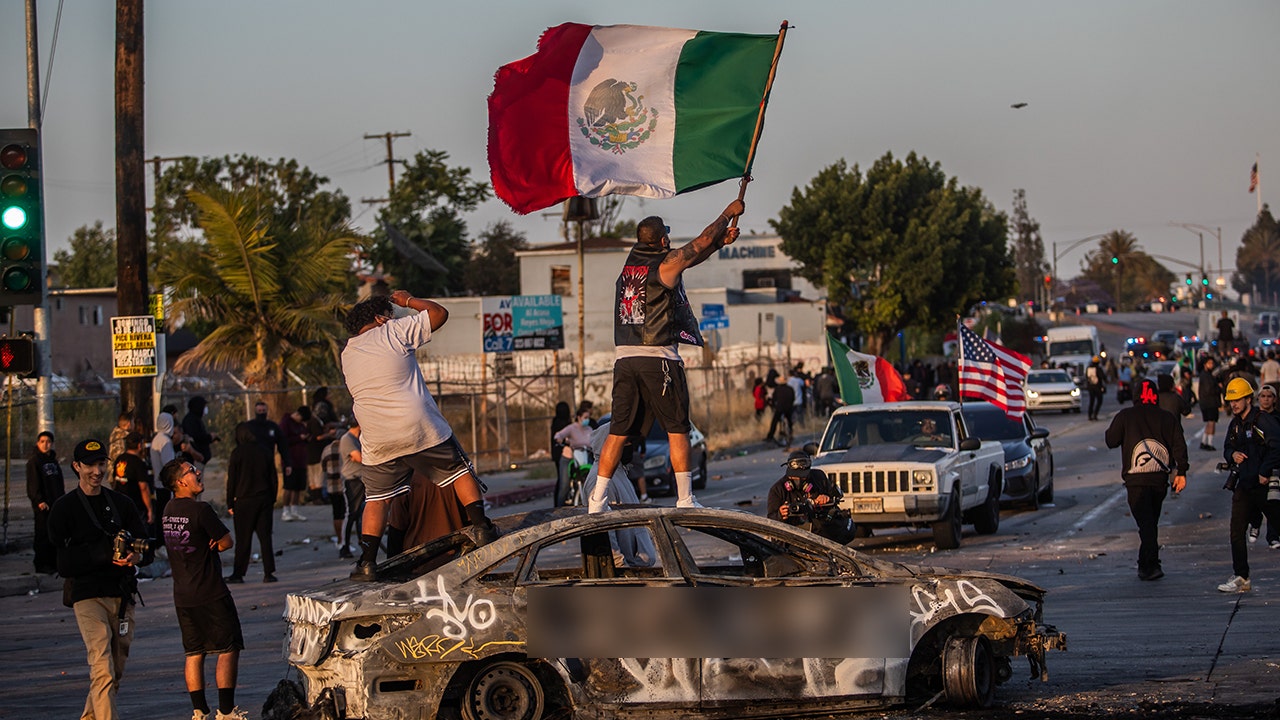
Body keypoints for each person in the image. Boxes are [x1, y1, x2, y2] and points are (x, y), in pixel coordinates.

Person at [586, 200, 745, 513]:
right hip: (658, 358)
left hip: (625, 360)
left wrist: (718, 244)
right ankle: (685, 499)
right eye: (667, 237)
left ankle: (597, 500)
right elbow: (697, 244)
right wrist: (727, 214)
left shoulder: (631, 267)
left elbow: (690, 257)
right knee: (678, 428)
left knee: (618, 431)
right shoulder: (665, 263)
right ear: (662, 240)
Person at [341, 290, 499, 581]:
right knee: (458, 469)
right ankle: (482, 527)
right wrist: (408, 301)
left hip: (376, 434)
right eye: (390, 315)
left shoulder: (348, 353)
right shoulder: (392, 331)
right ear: (380, 318)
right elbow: (439, 314)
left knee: (377, 499)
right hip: (416, 425)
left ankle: (366, 562)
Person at [47, 438, 153, 720]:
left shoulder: (121, 503)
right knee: (102, 667)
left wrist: (135, 557)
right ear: (76, 467)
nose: (97, 471)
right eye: (89, 465)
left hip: (122, 596)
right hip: (87, 595)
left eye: (101, 464)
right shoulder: (64, 508)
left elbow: (146, 547)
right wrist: (103, 554)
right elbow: (63, 563)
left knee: (113, 672)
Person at [158, 459, 247, 720]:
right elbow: (226, 541)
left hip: (183, 595)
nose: (198, 473)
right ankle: (226, 711)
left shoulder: (168, 510)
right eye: (191, 471)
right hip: (210, 591)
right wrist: (216, 543)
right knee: (228, 648)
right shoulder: (201, 510)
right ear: (180, 482)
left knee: (194, 652)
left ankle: (199, 712)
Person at [1104, 378, 1189, 581]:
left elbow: (1111, 440)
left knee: (1146, 524)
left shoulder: (1125, 416)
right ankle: (1147, 563)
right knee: (1150, 522)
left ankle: (1150, 566)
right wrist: (1181, 472)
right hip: (1159, 479)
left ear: (1135, 396)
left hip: (1135, 480)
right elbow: (1179, 445)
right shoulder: (1167, 418)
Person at [1217, 378, 1280, 593]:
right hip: (1243, 486)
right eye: (1231, 400)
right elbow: (1227, 447)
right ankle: (1241, 577)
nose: (1233, 404)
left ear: (1248, 399)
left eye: (1237, 400)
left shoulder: (1263, 421)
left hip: (1264, 486)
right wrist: (1232, 454)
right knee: (1236, 532)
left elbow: (1277, 446)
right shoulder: (1235, 425)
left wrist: (1265, 471)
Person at [224, 422, 277, 584]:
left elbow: (232, 480)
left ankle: (238, 573)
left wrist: (230, 503)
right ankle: (268, 572)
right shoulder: (265, 451)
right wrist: (272, 498)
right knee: (265, 538)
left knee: (243, 539)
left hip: (243, 501)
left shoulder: (237, 453)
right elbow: (273, 477)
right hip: (263, 499)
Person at [767, 451, 854, 544]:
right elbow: (770, 520)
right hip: (793, 536)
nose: (799, 480)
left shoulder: (818, 477)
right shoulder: (777, 490)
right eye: (795, 477)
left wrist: (826, 498)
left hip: (822, 531)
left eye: (803, 477)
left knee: (845, 527)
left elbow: (837, 494)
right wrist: (780, 515)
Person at [26, 430, 65, 574]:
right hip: (43, 506)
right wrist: (38, 500)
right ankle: (41, 564)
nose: (45, 444)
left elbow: (59, 483)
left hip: (55, 504)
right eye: (42, 442)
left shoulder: (53, 461)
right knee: (42, 535)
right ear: (38, 443)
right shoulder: (34, 461)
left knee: (54, 534)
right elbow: (32, 484)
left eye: (48, 442)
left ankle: (53, 563)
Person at [245, 400, 293, 518]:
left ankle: (268, 506)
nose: (261, 413)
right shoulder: (250, 427)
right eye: (259, 411)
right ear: (255, 411)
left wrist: (287, 463)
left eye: (263, 411)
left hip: (268, 463)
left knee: (270, 486)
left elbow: (282, 445)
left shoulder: (272, 427)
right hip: (253, 464)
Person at [1247, 383, 1280, 549]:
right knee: (1252, 499)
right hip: (1254, 464)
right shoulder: (1251, 417)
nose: (1266, 399)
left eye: (1269, 396)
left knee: (1274, 501)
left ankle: (1273, 536)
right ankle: (1255, 522)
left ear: (1274, 399)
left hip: (1273, 465)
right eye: (1263, 396)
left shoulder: (1277, 418)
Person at [552, 403, 594, 507]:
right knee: (564, 486)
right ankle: (558, 509)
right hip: (570, 458)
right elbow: (559, 435)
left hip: (585, 458)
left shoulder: (589, 429)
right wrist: (560, 439)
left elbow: (594, 441)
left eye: (588, 418)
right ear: (579, 417)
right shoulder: (572, 428)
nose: (587, 420)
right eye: (585, 417)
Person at [112, 431, 154, 527]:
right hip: (135, 506)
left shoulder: (119, 459)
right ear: (139, 445)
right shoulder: (138, 463)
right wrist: (150, 509)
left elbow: (115, 481)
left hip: (119, 503)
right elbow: (143, 488)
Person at [279, 406, 311, 520]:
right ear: (298, 414)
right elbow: (283, 441)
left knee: (298, 487)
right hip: (290, 461)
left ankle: (294, 510)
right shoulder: (286, 423)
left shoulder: (301, 425)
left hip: (300, 460)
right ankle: (285, 511)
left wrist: (306, 438)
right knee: (289, 486)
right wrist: (298, 438)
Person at [337, 421, 363, 559]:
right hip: (352, 480)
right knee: (351, 513)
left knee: (360, 514)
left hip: (361, 478)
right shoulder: (347, 439)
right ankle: (344, 545)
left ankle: (363, 543)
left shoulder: (359, 438)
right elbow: (359, 457)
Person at [151, 412, 178, 538]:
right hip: (165, 484)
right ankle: (163, 540)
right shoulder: (165, 441)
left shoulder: (156, 439)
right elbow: (169, 464)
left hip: (158, 483)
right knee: (166, 513)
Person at [320, 429, 346, 548]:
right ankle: (345, 540)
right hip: (345, 485)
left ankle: (339, 540)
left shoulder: (327, 449)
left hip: (332, 485)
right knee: (345, 514)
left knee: (336, 514)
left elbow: (323, 467)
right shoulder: (346, 447)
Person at [181, 396, 219, 464]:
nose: (205, 409)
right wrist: (210, 437)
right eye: (204, 406)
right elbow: (198, 437)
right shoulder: (191, 420)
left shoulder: (196, 419)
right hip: (195, 459)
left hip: (199, 458)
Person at [1198, 356, 1222, 451]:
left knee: (1209, 422)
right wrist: (1219, 388)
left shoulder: (1205, 375)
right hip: (1210, 402)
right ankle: (1209, 443)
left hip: (1206, 402)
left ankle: (1204, 441)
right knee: (1212, 422)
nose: (1211, 365)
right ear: (1205, 364)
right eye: (1209, 363)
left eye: (1212, 363)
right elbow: (1209, 389)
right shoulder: (1207, 376)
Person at [765, 380, 796, 445]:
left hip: (780, 408)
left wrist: (773, 405)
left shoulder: (777, 389)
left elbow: (774, 399)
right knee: (789, 420)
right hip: (789, 408)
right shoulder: (790, 388)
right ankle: (790, 433)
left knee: (774, 421)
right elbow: (793, 398)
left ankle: (770, 436)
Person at [1085, 355, 1107, 421]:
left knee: (1091, 401)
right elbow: (1103, 377)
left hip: (1090, 387)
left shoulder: (1088, 368)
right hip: (1097, 387)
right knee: (1099, 401)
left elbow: (1086, 377)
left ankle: (1090, 415)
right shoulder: (1098, 368)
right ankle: (1095, 414)